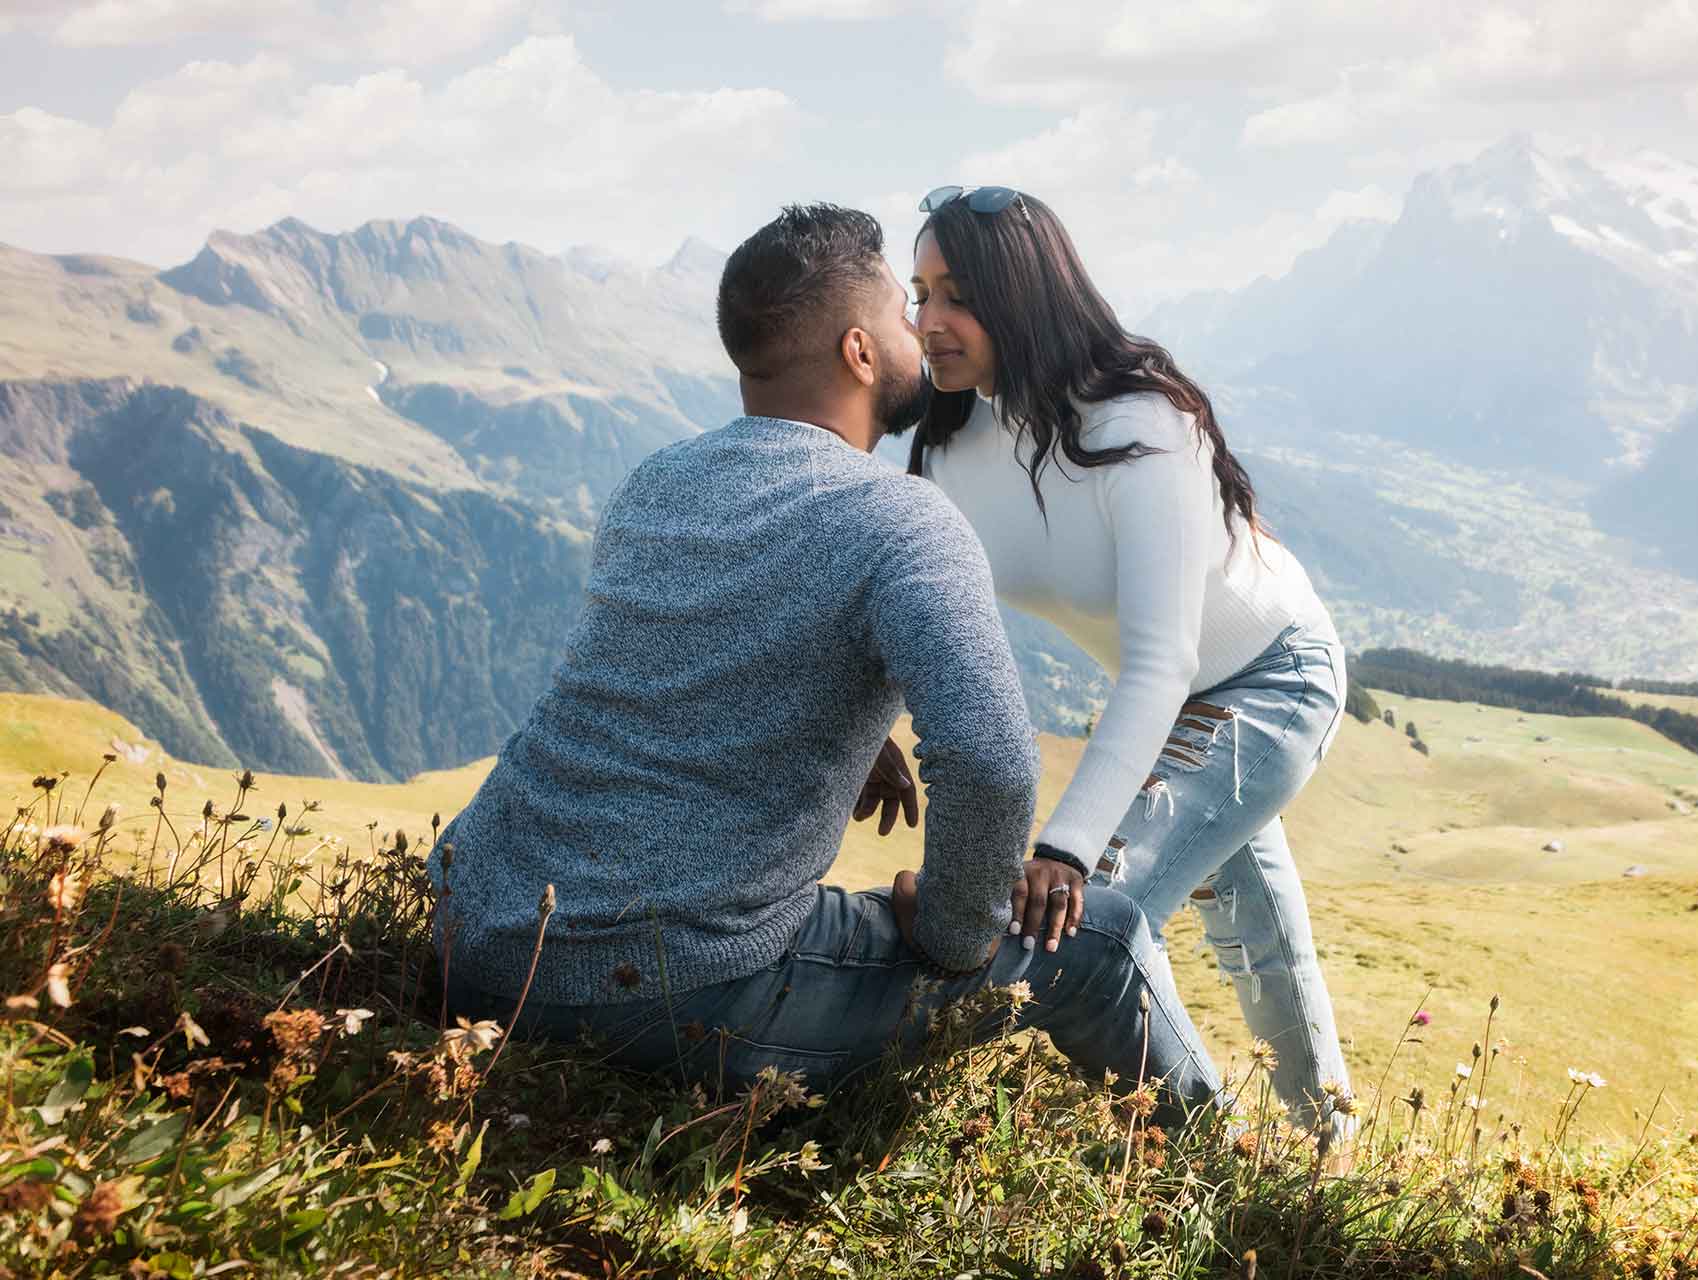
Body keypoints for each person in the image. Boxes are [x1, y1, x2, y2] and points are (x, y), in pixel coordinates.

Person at [430, 203, 1218, 1122]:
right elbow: (990, 761)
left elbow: (681, 669)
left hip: (474, 941)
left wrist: (846, 715)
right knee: (1109, 941)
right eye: (901, 313)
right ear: (858, 352)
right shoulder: (901, 519)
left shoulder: (657, 482)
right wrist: (962, 937)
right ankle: (1238, 1171)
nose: (920, 329)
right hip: (668, 986)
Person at [908, 186, 1352, 1140]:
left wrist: (1062, 848)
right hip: (1173, 702)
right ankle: (1328, 1154)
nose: (927, 322)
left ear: (1020, 294)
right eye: (918, 294)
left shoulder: (1140, 422)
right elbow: (898, 598)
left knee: (1093, 911)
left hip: (1271, 676)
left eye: (954, 295)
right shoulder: (948, 441)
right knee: (1260, 941)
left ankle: (1213, 1159)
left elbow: (1161, 658)